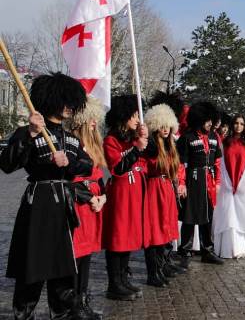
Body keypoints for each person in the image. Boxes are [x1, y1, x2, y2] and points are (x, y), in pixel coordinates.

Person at [0, 73, 92, 319]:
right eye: (65, 101)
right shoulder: (28, 132)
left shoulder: (71, 138)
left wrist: (69, 164)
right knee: (33, 266)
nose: (70, 107)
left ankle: (61, 313)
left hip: (64, 206)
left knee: (62, 269)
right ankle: (24, 313)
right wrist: (29, 134)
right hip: (38, 204)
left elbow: (88, 165)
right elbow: (7, 164)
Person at [102, 95, 153, 300]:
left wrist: (146, 138)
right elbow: (118, 168)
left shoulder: (133, 139)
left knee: (129, 238)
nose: (136, 120)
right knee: (118, 238)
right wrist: (136, 148)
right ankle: (114, 284)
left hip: (135, 193)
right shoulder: (111, 140)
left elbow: (152, 153)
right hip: (121, 194)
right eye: (133, 116)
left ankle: (123, 278)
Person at [67, 96, 106, 319]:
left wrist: (103, 199)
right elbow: (70, 180)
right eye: (90, 118)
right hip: (79, 205)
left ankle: (82, 299)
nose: (93, 122)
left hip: (93, 206)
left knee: (87, 254)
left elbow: (100, 179)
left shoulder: (94, 145)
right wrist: (90, 198)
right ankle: (74, 304)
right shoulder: (72, 143)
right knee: (76, 255)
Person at [176, 101, 224, 266]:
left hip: (209, 181)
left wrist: (217, 182)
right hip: (193, 180)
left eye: (212, 120)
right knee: (190, 216)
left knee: (208, 216)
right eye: (207, 120)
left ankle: (207, 250)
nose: (210, 123)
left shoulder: (213, 137)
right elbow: (181, 164)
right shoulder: (186, 138)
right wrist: (181, 183)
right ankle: (185, 250)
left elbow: (217, 162)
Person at [212, 114, 245, 258]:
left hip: (244, 186)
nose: (238, 126)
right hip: (227, 185)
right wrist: (225, 184)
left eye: (241, 124)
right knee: (229, 216)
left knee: (244, 215)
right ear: (232, 124)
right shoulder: (225, 143)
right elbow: (221, 165)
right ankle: (229, 249)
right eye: (236, 123)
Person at [143, 104, 182, 287]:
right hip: (154, 189)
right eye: (161, 126)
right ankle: (153, 272)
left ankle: (161, 267)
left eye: (167, 126)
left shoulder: (170, 145)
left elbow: (176, 168)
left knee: (165, 230)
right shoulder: (151, 145)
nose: (165, 129)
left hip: (166, 189)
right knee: (154, 232)